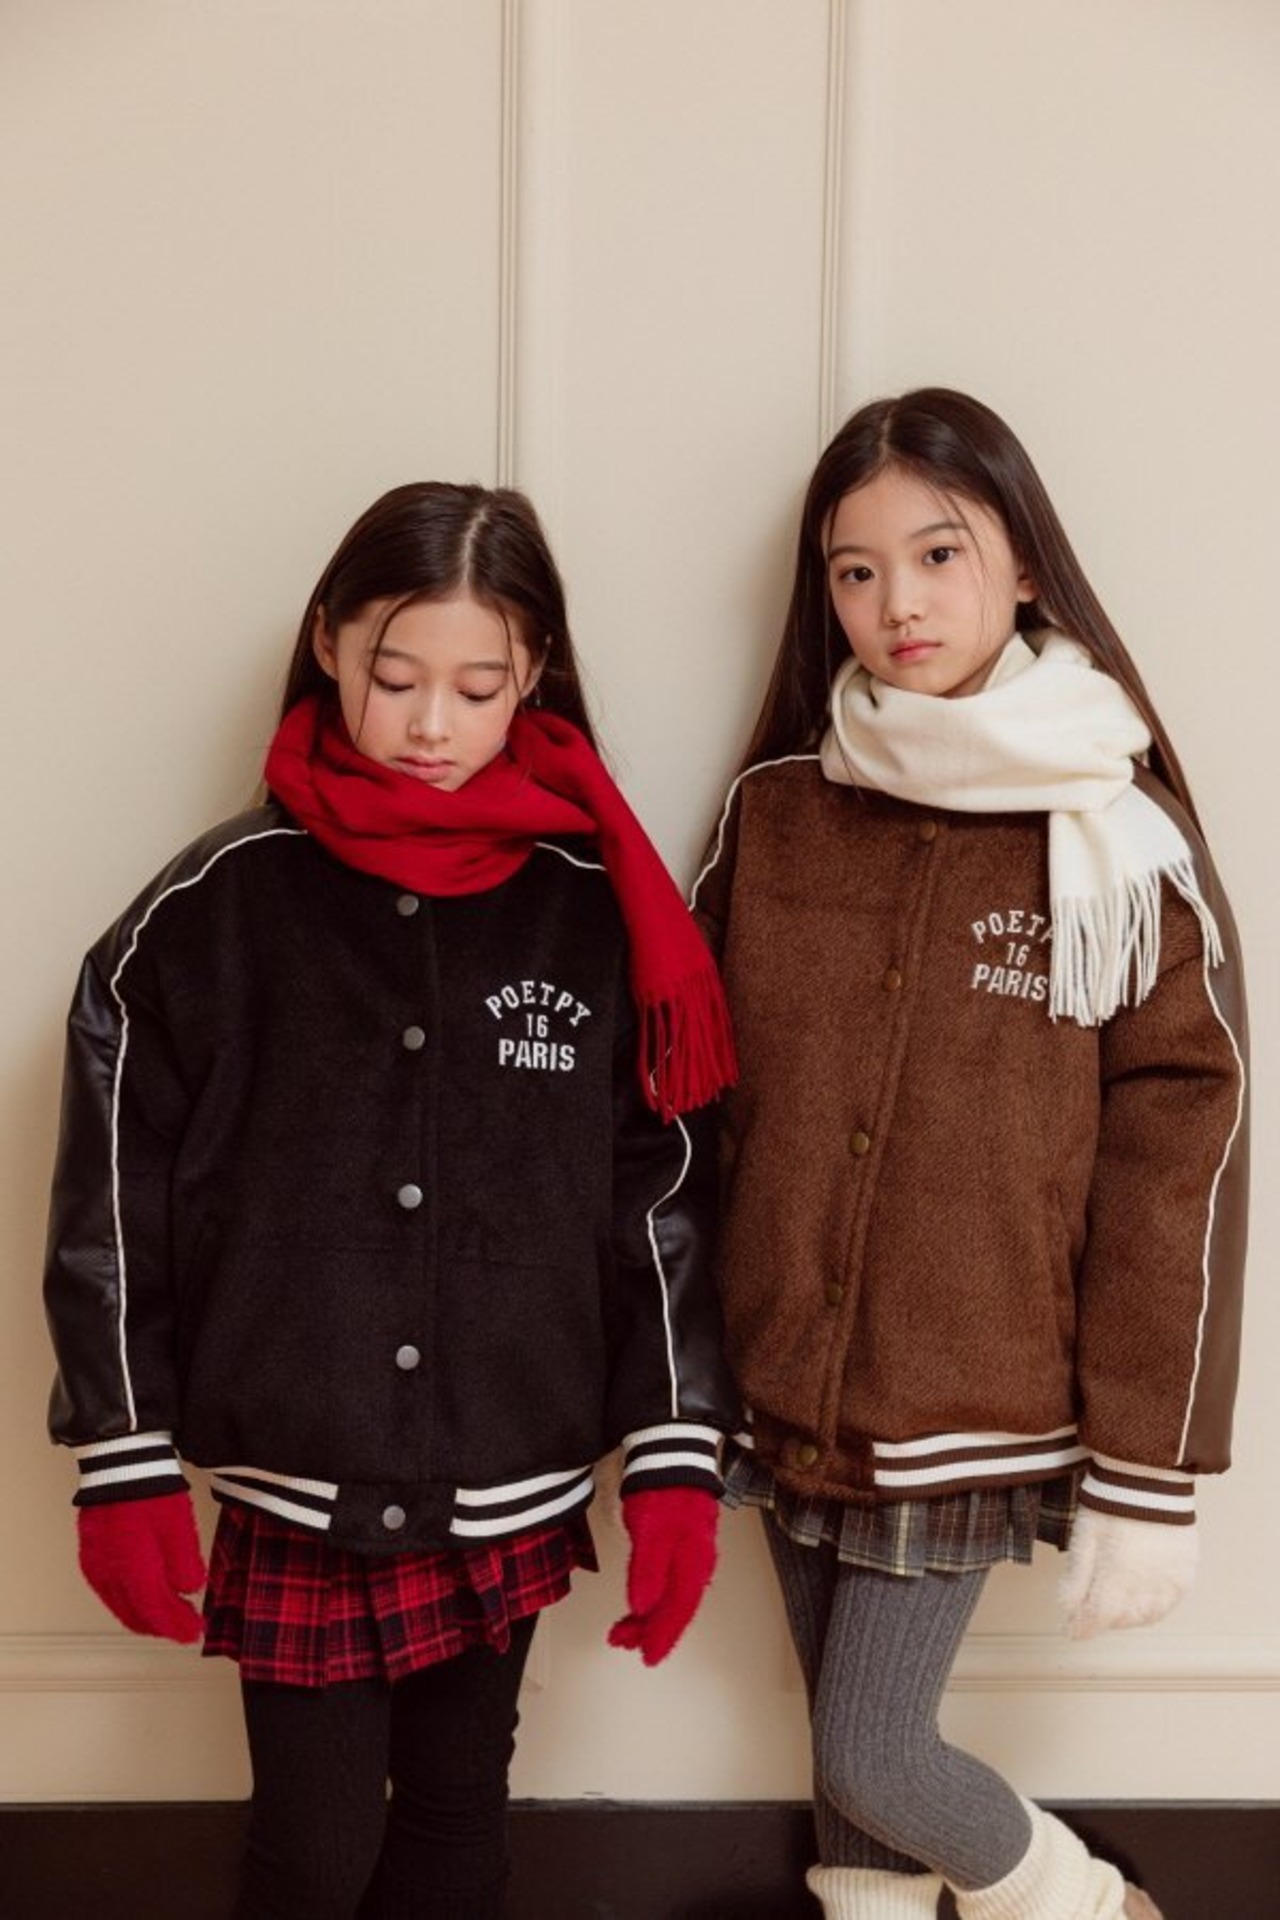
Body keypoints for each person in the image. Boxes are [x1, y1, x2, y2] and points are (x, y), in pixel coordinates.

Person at [43, 481, 741, 1920]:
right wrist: (121, 1451)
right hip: (296, 1473)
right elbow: (112, 1195)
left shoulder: (600, 910)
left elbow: (660, 1197)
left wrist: (678, 1452)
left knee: (458, 1832)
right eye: (394, 673)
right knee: (310, 1859)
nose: (431, 724)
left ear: (533, 673)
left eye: (477, 686)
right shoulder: (209, 913)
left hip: (511, 1468)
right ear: (326, 642)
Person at [692, 389, 1247, 1920]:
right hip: (779, 1370)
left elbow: (1179, 1165)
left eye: (939, 554)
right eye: (855, 570)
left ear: (1023, 567)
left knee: (874, 1753)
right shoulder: (776, 815)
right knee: (843, 1768)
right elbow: (689, 1104)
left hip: (974, 1389)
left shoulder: (1121, 839)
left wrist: (1151, 1465)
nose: (899, 603)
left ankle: (1084, 1907)